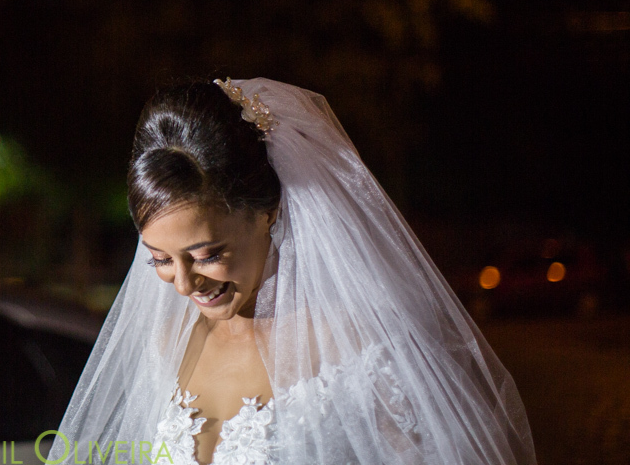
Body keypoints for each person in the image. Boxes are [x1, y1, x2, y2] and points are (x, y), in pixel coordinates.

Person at [50, 77, 535, 465]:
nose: (183, 283)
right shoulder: (166, 346)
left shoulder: (356, 349)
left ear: (268, 213)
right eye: (160, 259)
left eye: (206, 254)